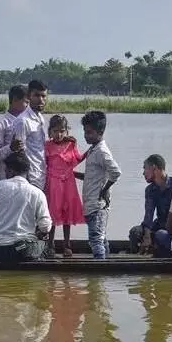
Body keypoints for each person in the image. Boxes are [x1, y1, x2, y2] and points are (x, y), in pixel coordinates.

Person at [0, 153, 53, 264]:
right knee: (43, 242)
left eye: (6, 170)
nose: (5, 173)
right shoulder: (37, 193)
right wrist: (39, 232)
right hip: (22, 250)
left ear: (11, 171)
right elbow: (45, 227)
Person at [75, 110, 121, 259]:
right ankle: (105, 263)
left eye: (89, 132)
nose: (85, 135)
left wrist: (105, 189)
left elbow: (116, 172)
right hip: (90, 204)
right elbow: (91, 177)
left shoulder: (102, 151)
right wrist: (73, 174)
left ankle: (99, 269)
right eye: (84, 132)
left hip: (98, 205)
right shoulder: (92, 150)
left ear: (100, 132)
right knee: (101, 237)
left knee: (95, 238)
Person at [43, 114, 84, 258]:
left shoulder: (71, 144)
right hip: (53, 182)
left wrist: (90, 151)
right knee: (53, 212)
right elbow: (44, 164)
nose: (59, 134)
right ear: (50, 132)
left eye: (62, 131)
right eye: (55, 131)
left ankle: (67, 245)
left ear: (66, 131)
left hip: (68, 182)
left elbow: (77, 160)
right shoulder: (47, 145)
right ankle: (50, 245)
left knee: (68, 213)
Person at [128, 154, 172, 255]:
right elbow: (149, 214)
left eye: (145, 169)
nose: (143, 173)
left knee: (161, 237)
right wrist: (147, 235)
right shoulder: (150, 189)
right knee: (135, 232)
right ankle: (136, 261)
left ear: (154, 168)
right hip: (159, 224)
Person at [13, 79, 48, 190]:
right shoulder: (23, 121)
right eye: (37, 95)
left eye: (43, 96)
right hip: (30, 177)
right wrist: (26, 178)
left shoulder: (40, 118)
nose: (41, 100)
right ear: (28, 96)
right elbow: (19, 152)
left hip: (41, 173)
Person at [0, 85, 28, 183]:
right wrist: (10, 148)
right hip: (4, 177)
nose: (28, 106)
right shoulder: (0, 123)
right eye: (26, 102)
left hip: (24, 177)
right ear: (15, 100)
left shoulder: (27, 122)